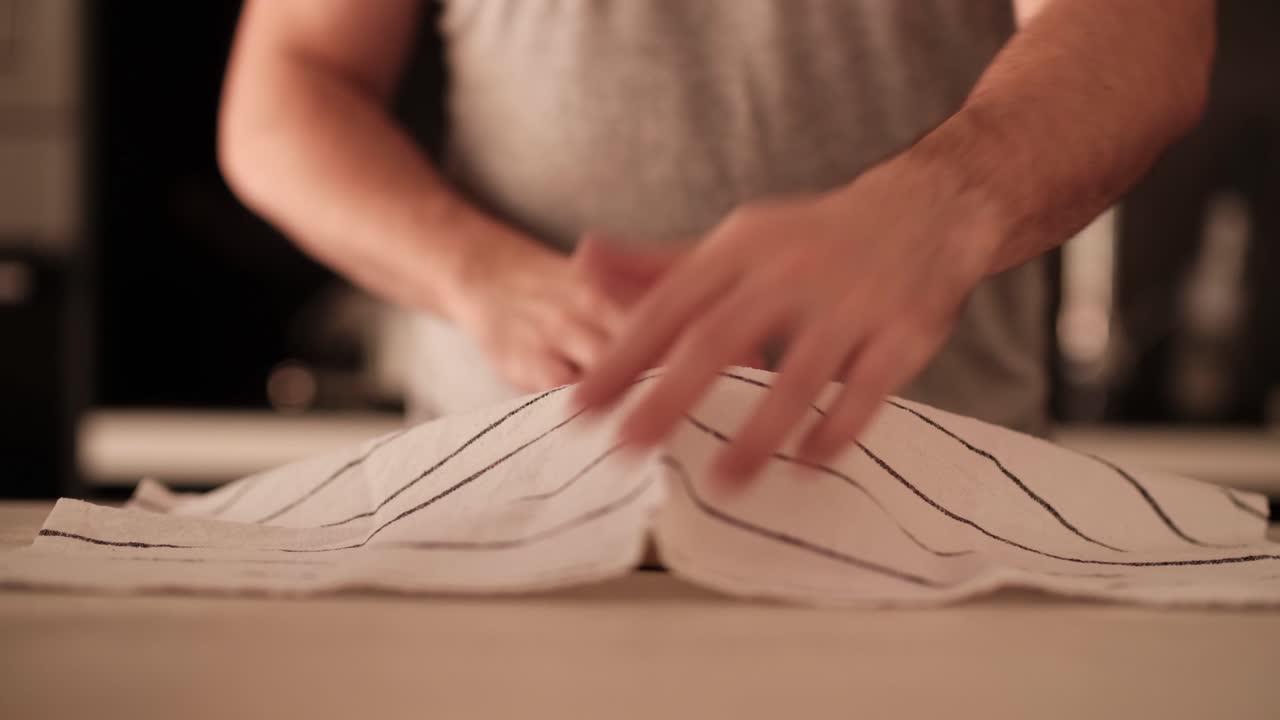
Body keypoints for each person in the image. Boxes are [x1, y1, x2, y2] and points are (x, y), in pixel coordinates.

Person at [219, 0, 1213, 486]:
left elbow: (1146, 30)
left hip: (930, 515)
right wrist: (485, 276)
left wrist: (939, 205)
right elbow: (286, 90)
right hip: (508, 511)